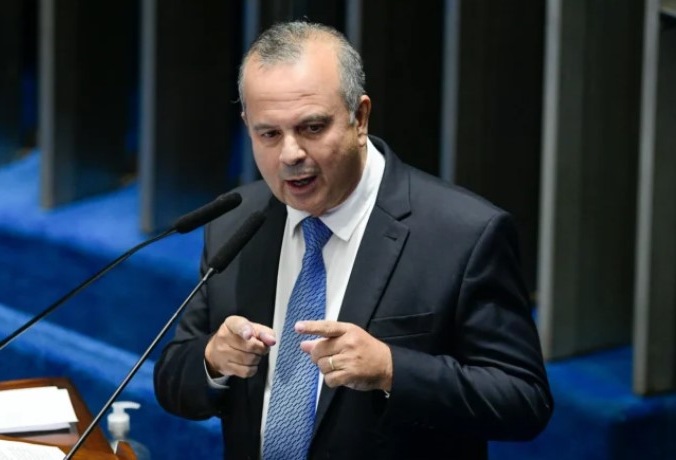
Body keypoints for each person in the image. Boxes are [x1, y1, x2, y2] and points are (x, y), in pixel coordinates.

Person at [154, 21, 552, 460]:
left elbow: (524, 400)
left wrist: (391, 369)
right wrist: (213, 360)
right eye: (269, 134)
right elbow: (172, 381)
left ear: (359, 118)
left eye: (312, 128)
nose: (290, 154)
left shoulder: (463, 234)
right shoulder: (235, 222)